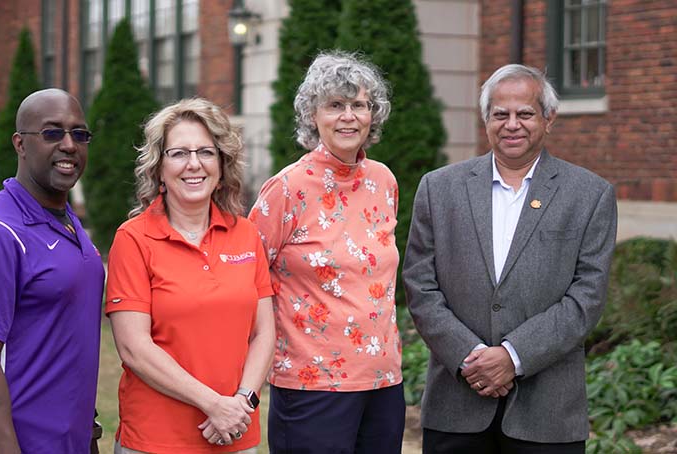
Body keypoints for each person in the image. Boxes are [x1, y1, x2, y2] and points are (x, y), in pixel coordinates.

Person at [403, 64, 618, 453]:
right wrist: (473, 358)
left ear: (548, 119)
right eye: (500, 114)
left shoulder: (590, 195)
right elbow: (420, 284)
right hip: (456, 407)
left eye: (525, 113)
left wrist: (512, 356)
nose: (512, 124)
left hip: (548, 414)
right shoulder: (439, 188)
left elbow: (587, 297)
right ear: (486, 119)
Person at [248, 51, 405, 453]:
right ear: (312, 116)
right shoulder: (287, 189)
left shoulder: (383, 181)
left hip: (383, 382)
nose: (349, 116)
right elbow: (246, 278)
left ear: (374, 114)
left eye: (359, 105)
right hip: (311, 385)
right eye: (335, 105)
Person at [105, 97, 275, 453]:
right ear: (159, 167)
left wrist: (242, 402)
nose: (194, 164)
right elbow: (135, 348)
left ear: (222, 163)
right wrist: (214, 405)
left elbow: (263, 333)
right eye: (179, 153)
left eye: (206, 152)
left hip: (236, 435)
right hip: (156, 440)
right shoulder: (134, 239)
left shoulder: (246, 234)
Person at [0, 88, 105, 453]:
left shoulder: (66, 220)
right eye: (52, 133)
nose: (69, 145)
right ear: (20, 143)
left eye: (79, 134)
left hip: (72, 438)